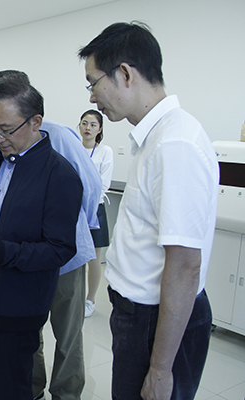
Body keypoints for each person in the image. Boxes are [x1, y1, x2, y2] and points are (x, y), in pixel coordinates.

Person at [79, 22, 219, 400]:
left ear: (125, 73)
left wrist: (160, 369)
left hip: (155, 321)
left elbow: (185, 265)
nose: (92, 97)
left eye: (94, 82)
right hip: (139, 315)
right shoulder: (154, 136)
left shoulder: (174, 143)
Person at [0, 78, 83, 400]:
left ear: (36, 121)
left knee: (7, 386)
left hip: (16, 301)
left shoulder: (59, 174)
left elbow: (59, 249)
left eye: (6, 130)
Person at [78, 109, 113, 318]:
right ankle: (73, 297)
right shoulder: (74, 148)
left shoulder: (105, 151)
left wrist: (88, 201)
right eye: (84, 123)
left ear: (99, 129)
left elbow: (103, 184)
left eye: (93, 124)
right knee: (73, 255)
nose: (88, 128)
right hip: (75, 208)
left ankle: (90, 300)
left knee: (94, 257)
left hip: (94, 208)